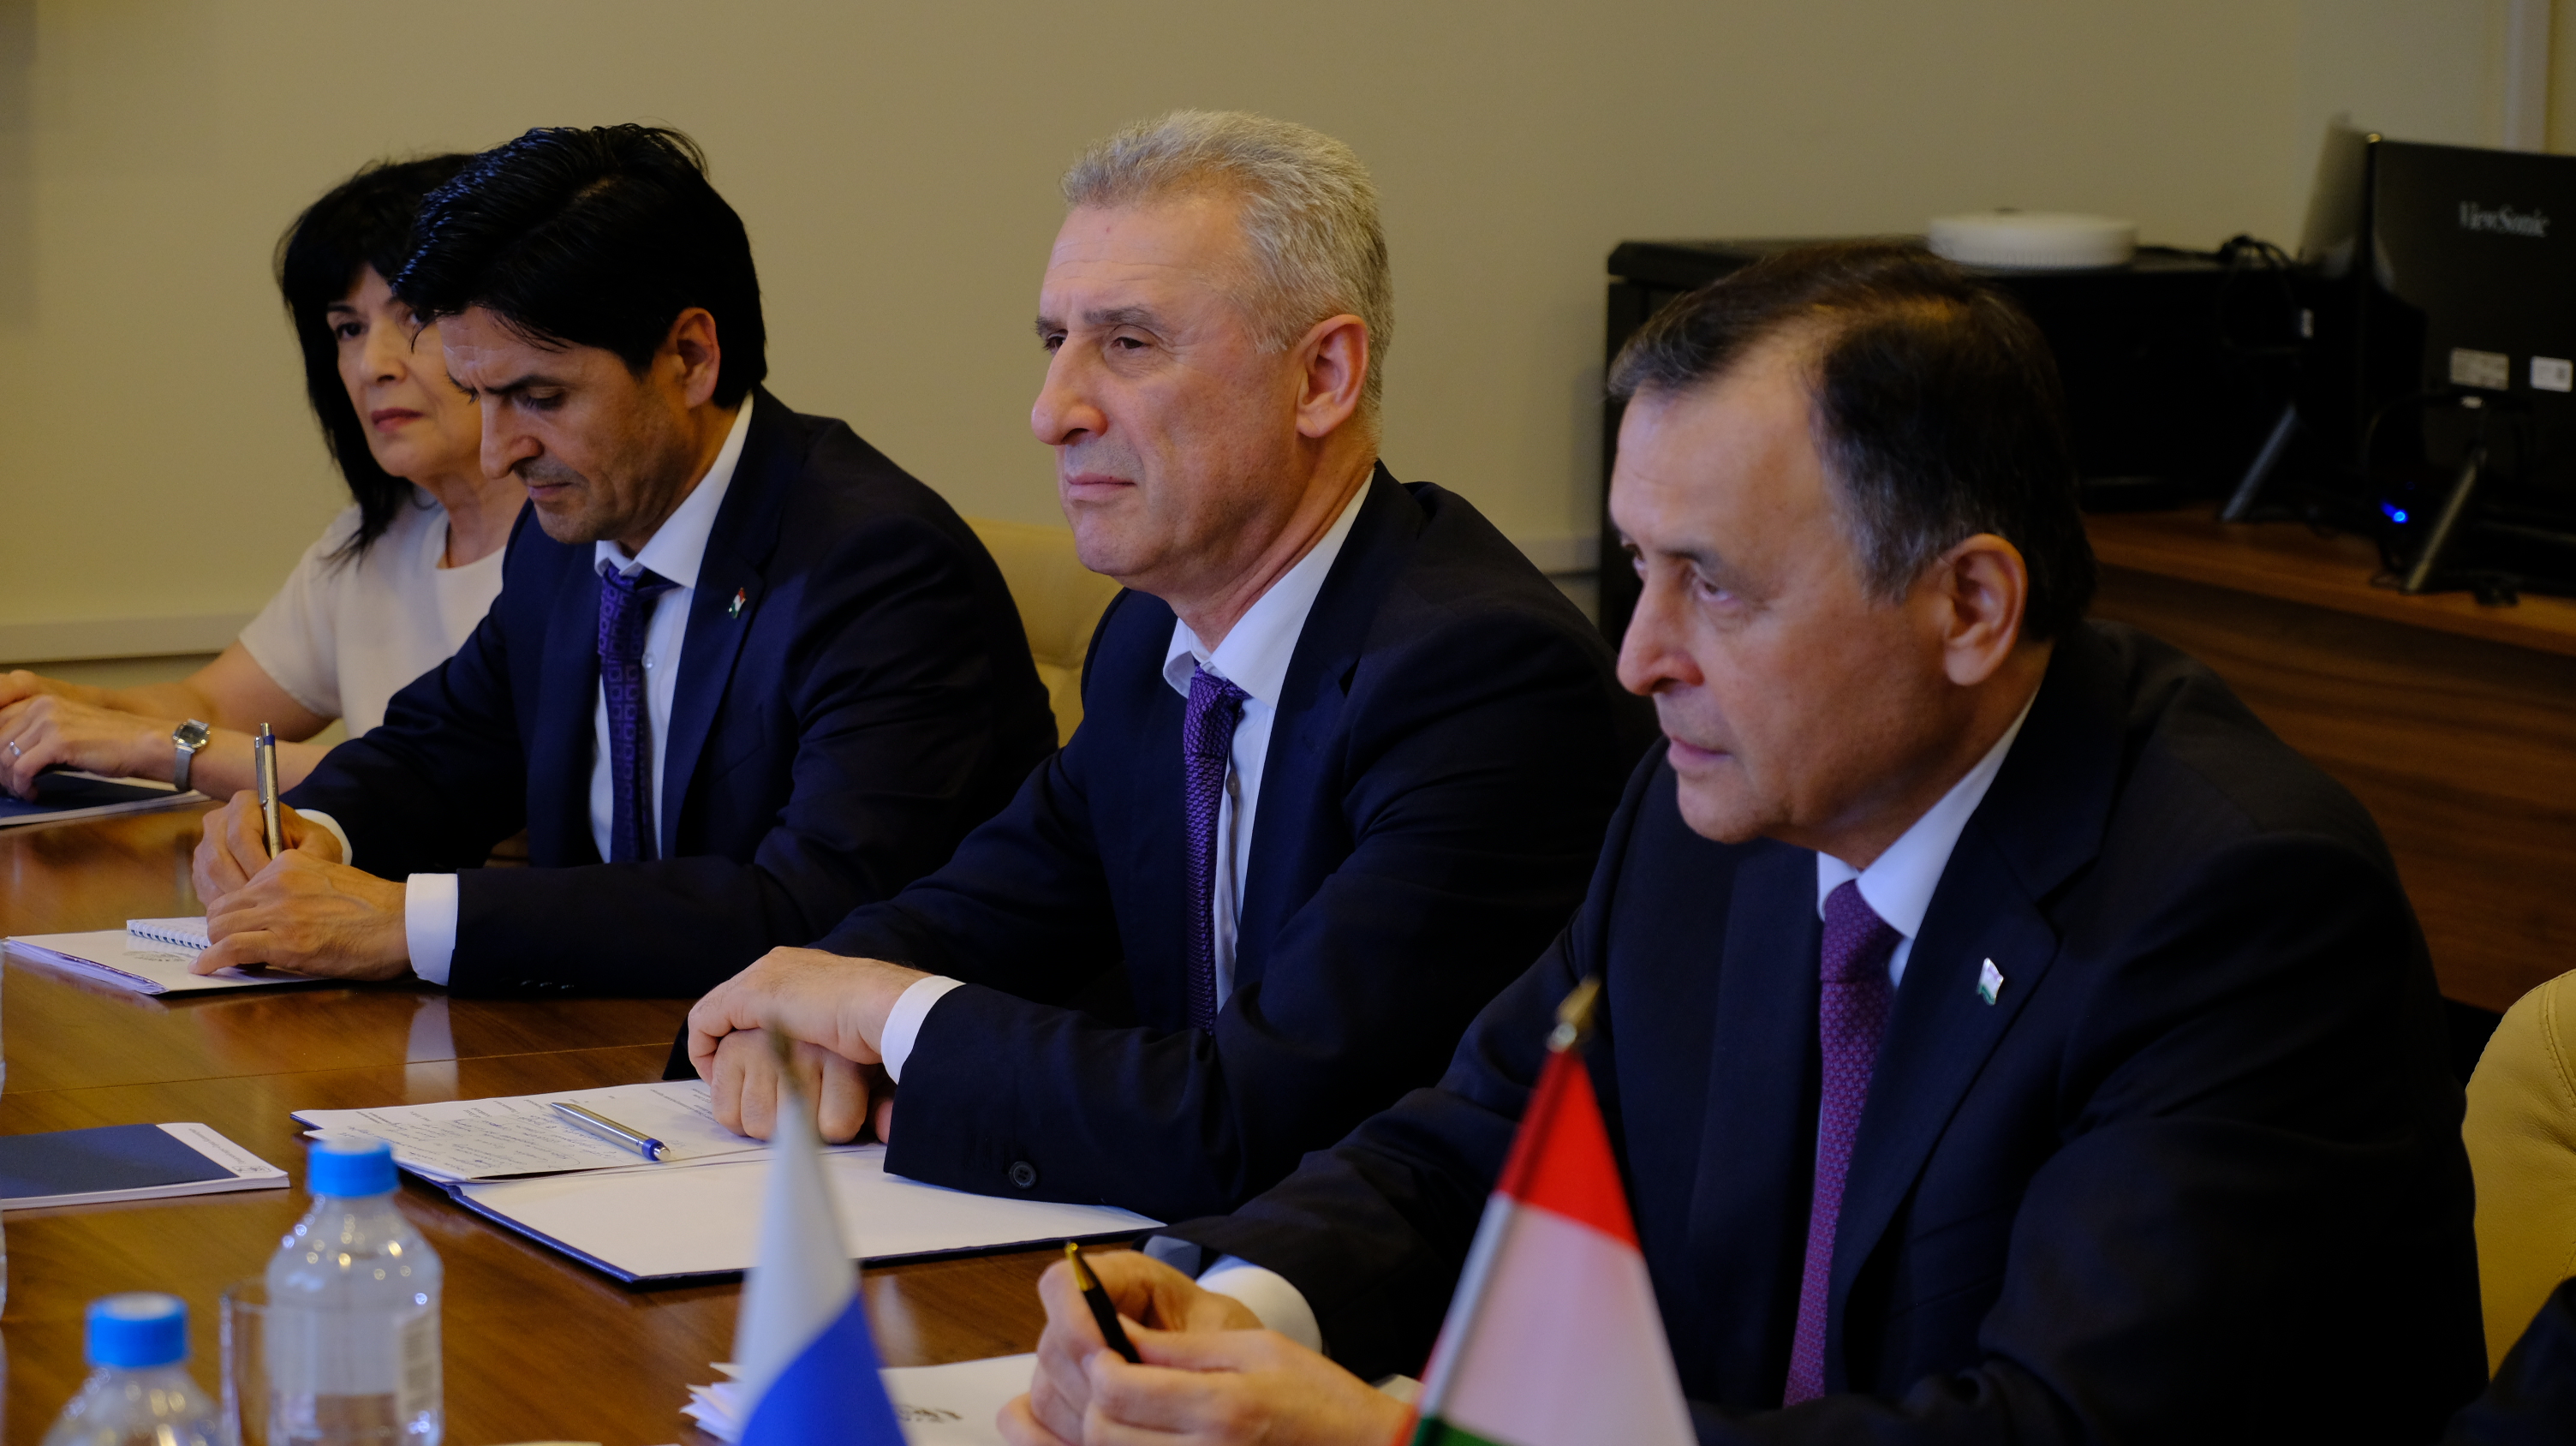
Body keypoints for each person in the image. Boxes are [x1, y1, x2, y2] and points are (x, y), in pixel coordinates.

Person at [999, 243, 2485, 1444]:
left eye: (1711, 585)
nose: (1639, 656)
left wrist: (1405, 1441)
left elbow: (2048, 1427)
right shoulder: (1709, 814)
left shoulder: (2239, 910)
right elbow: (1470, 1140)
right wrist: (1232, 1301)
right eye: (1638, 568)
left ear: (1969, 607)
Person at [683, 111, 1654, 1222]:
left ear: (1323, 375)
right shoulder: (1152, 638)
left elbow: (1258, 1119)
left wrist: (880, 1013)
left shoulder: (1486, 679)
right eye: (1055, 341)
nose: (1051, 411)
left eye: (1130, 344)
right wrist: (795, 1009)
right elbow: (982, 911)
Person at [188, 125, 1057, 997]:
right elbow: (440, 752)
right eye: (478, 397)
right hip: (600, 1039)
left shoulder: (878, 566)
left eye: (539, 397)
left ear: (690, 358)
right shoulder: (570, 534)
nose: (498, 453)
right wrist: (313, 831)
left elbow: (815, 905)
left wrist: (409, 924)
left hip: (840, 1062)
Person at [0, 155, 522, 803]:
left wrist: (160, 747)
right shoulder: (375, 537)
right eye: (348, 329)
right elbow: (213, 707)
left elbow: (479, 794)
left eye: (414, 316)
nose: (371, 365)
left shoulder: (582, 545)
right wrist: (55, 705)